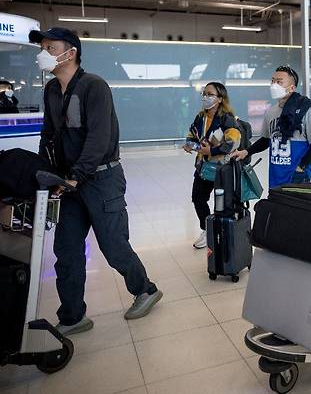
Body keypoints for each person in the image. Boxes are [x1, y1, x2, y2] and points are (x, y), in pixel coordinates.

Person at [29, 27, 162, 335]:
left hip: (102, 179)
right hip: (69, 185)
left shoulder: (94, 86)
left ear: (70, 52)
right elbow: (48, 134)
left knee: (113, 245)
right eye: (43, 47)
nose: (43, 53)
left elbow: (99, 138)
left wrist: (77, 175)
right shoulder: (51, 91)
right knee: (67, 251)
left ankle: (146, 290)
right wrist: (45, 171)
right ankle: (73, 315)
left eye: (50, 47)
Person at [231, 66, 311, 188]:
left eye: (279, 82)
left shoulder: (307, 112)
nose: (274, 85)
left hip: (297, 176)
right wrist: (247, 151)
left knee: (296, 207)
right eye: (273, 81)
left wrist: (301, 167)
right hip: (276, 176)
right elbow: (266, 140)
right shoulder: (271, 112)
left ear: (292, 88)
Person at [183, 82, 241, 249]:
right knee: (198, 199)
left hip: (221, 170)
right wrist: (190, 144)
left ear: (220, 98)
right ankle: (207, 230)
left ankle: (222, 232)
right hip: (203, 168)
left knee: (222, 204)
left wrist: (212, 151)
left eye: (210, 94)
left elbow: (233, 142)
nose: (205, 97)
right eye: (204, 94)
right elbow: (192, 135)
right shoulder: (200, 117)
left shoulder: (227, 119)